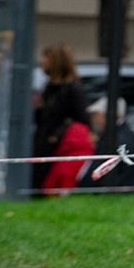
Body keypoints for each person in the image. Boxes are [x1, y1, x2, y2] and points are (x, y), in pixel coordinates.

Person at [33, 44, 90, 191]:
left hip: (61, 147)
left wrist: (57, 134)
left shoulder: (73, 89)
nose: (43, 62)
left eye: (47, 58)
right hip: (43, 143)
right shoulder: (49, 87)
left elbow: (82, 121)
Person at [79, 97, 134, 188]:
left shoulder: (115, 140)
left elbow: (102, 174)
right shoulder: (126, 134)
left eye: (95, 115)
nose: (93, 120)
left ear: (106, 115)